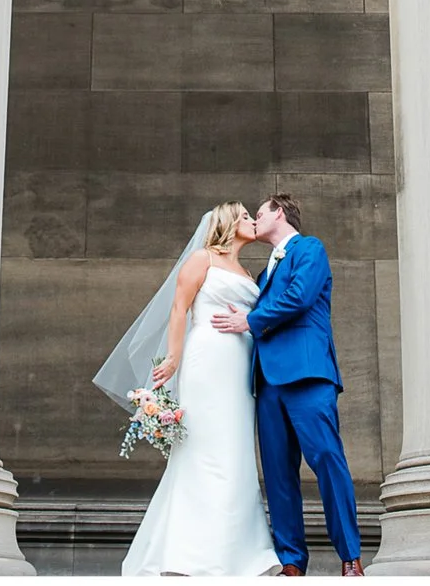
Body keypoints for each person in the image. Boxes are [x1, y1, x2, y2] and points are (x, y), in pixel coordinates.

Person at [106, 201, 283, 577]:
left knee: (235, 451)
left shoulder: (247, 272)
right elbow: (178, 308)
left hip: (239, 368)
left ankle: (237, 553)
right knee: (204, 449)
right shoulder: (203, 259)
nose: (252, 220)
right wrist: (172, 358)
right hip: (207, 362)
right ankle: (190, 553)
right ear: (229, 222)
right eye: (246, 216)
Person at [209, 191, 363, 576]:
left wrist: (249, 320)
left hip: (307, 374)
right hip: (267, 383)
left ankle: (350, 557)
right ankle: (292, 562)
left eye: (259, 213)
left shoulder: (309, 249)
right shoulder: (263, 275)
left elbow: (299, 297)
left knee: (327, 459)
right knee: (278, 475)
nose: (255, 220)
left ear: (279, 213)